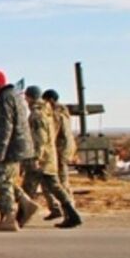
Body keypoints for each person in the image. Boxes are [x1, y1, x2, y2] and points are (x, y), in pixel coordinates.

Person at [0, 70, 41, 232]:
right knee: (6, 180)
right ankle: (26, 203)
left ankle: (9, 217)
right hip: (17, 147)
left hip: (8, 148)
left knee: (3, 182)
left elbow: (4, 127)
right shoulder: (16, 97)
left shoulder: (4, 99)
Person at [23, 86, 83, 229]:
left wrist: (36, 157)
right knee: (55, 186)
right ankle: (71, 213)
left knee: (29, 188)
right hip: (51, 156)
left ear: (29, 97)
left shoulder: (38, 114)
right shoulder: (50, 112)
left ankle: (20, 217)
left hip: (44, 157)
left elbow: (40, 139)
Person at [43, 89, 77, 217]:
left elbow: (52, 134)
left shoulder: (56, 114)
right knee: (57, 181)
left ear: (50, 100)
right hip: (64, 150)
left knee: (60, 182)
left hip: (59, 151)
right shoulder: (64, 112)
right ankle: (59, 208)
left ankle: (69, 209)